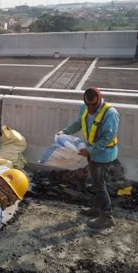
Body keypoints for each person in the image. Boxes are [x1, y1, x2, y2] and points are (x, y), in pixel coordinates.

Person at [58, 87, 120, 229]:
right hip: (91, 153)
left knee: (99, 185)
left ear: (99, 100)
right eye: (88, 104)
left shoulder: (110, 113)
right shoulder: (85, 108)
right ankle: (96, 209)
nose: (90, 108)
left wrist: (90, 151)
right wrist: (64, 132)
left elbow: (107, 138)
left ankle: (107, 216)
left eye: (93, 105)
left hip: (104, 155)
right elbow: (79, 123)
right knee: (97, 182)